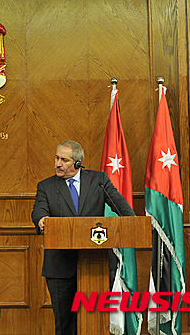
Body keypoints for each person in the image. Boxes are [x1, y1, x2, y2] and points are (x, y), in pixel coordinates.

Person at [31, 140, 135, 335]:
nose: (58, 164)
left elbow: (122, 207)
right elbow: (39, 210)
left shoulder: (99, 180)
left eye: (64, 160)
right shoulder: (46, 186)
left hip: (97, 264)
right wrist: (42, 220)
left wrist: (133, 224)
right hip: (60, 265)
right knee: (65, 324)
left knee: (97, 320)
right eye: (56, 158)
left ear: (77, 163)